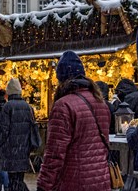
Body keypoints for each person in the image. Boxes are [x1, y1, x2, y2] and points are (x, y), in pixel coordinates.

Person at [37, 51, 110, 191]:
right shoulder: (100, 103)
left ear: (60, 79)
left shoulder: (63, 106)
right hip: (101, 179)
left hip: (75, 181)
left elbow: (54, 155)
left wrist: (44, 185)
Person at [0, 78, 33, 191]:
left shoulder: (7, 107)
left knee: (13, 180)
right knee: (19, 179)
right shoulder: (28, 107)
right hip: (23, 149)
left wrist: (0, 144)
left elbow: (3, 130)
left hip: (10, 150)